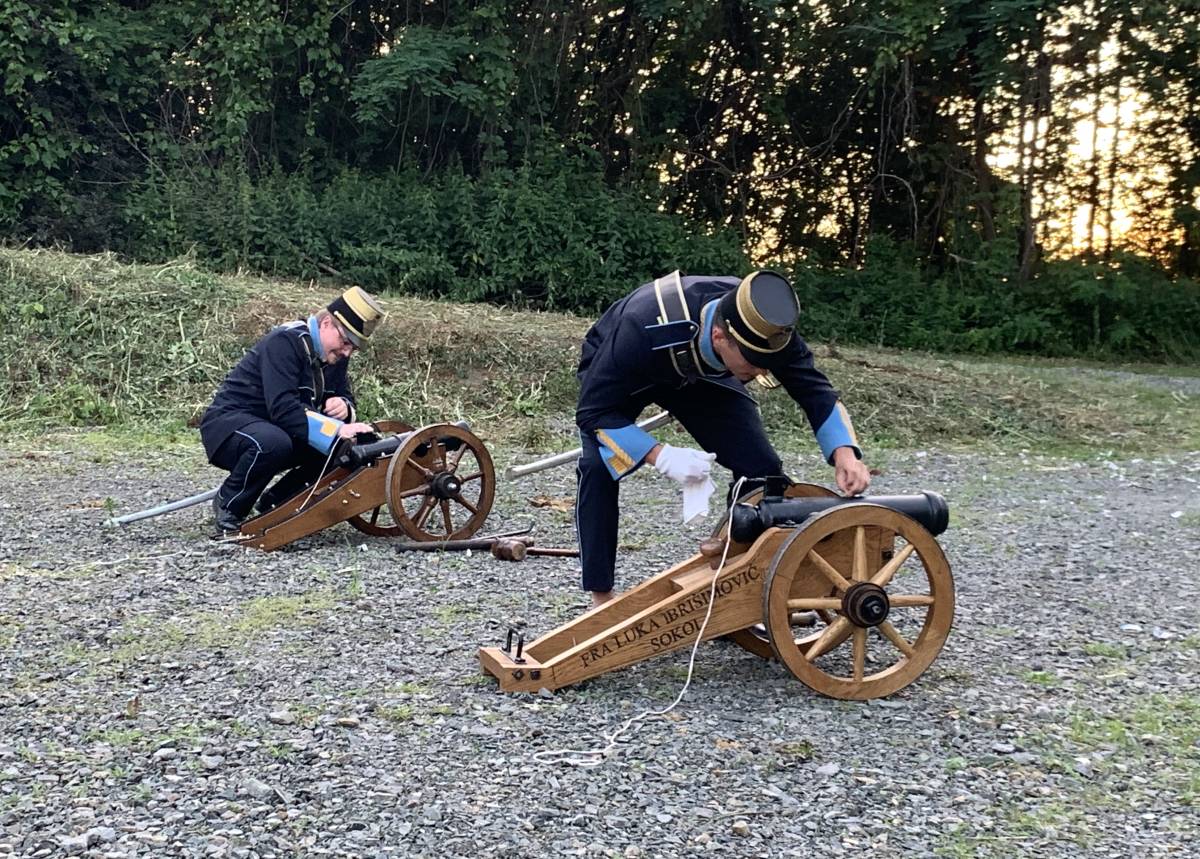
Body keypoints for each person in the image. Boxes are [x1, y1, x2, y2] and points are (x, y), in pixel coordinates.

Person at [575, 270, 871, 607]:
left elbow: (814, 389)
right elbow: (592, 414)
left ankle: (744, 586)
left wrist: (845, 453)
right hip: (627, 367)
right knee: (597, 464)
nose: (761, 373)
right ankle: (601, 596)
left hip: (707, 374)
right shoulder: (638, 328)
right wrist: (660, 455)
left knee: (762, 469)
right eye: (756, 365)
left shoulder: (764, 326)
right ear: (719, 335)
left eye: (767, 366)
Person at [201, 286, 386, 534]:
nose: (347, 351)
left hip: (279, 428)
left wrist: (344, 407)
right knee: (274, 442)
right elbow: (283, 409)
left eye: (354, 347)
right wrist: (337, 430)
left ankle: (276, 505)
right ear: (327, 323)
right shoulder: (285, 342)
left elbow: (345, 395)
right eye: (345, 342)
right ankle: (229, 505)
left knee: (347, 448)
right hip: (230, 426)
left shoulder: (333, 354)